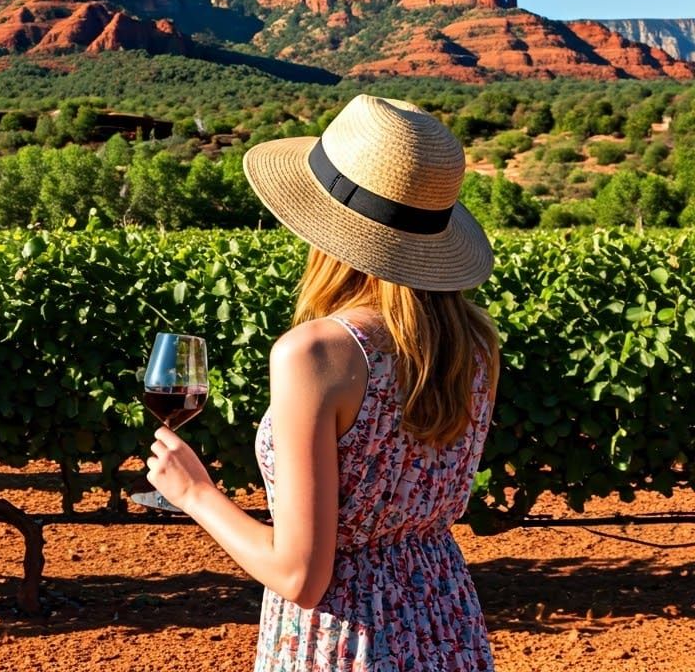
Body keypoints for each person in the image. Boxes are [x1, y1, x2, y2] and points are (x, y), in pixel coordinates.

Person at [146, 93, 500, 671]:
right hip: (445, 618)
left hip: (346, 638)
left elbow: (302, 576)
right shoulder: (474, 345)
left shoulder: (315, 353)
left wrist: (194, 494)